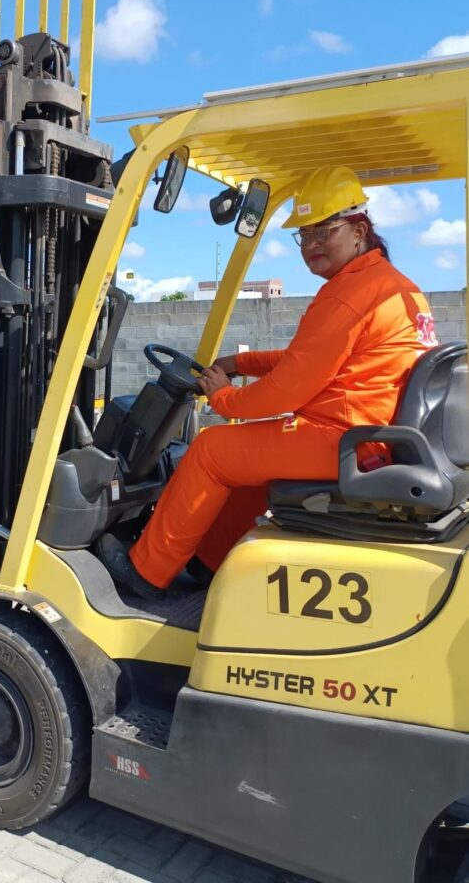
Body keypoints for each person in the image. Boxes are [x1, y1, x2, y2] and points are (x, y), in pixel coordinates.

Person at [96, 165, 438, 599]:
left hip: (345, 439)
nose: (312, 245)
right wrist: (241, 362)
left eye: (324, 231)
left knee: (211, 449)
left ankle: (146, 571)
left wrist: (224, 398)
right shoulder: (392, 286)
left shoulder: (349, 294)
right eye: (304, 235)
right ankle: (207, 561)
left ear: (359, 230)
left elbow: (290, 387)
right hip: (370, 436)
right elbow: (311, 359)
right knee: (247, 463)